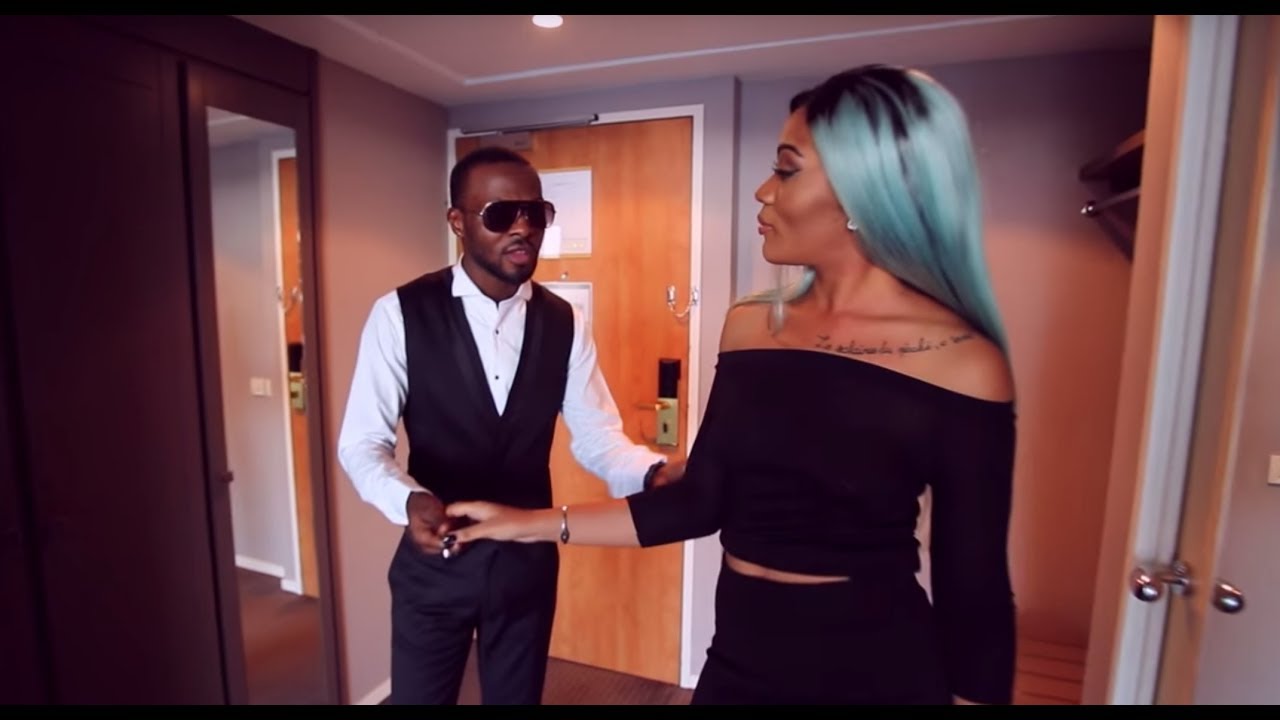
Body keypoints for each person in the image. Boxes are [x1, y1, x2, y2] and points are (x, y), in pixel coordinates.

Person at [442, 64, 1019, 705]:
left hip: (873, 668)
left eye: (787, 170)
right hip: (740, 655)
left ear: (865, 193)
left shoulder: (962, 362)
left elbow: (976, 591)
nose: (763, 192)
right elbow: (700, 500)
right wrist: (521, 524)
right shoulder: (752, 325)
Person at [336, 145, 685, 705]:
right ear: (458, 221)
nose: (523, 228)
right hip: (436, 565)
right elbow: (361, 443)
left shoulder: (566, 322)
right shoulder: (399, 313)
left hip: (527, 561)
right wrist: (409, 500)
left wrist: (653, 472)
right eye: (501, 214)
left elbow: (597, 437)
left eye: (536, 213)